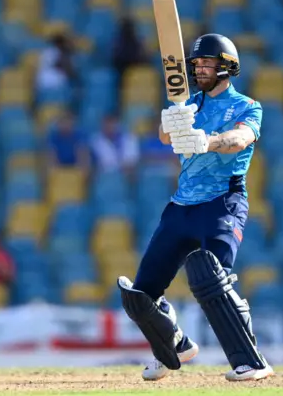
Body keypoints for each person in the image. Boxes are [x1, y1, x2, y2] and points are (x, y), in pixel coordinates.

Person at [117, 34, 274, 382]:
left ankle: (251, 362)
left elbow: (240, 139)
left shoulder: (247, 106)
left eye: (206, 63)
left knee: (212, 278)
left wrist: (210, 141)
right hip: (181, 206)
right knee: (141, 295)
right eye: (197, 64)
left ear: (227, 67)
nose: (199, 69)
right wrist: (171, 123)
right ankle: (173, 345)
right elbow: (163, 135)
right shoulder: (190, 103)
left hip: (222, 203)